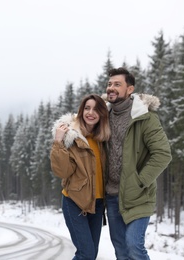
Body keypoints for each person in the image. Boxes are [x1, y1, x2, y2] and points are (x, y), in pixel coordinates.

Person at [104, 67, 172, 260]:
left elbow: (163, 154)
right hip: (111, 195)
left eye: (117, 84)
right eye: (110, 84)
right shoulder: (103, 117)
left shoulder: (145, 118)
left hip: (138, 195)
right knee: (121, 251)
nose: (111, 88)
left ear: (130, 89)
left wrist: (140, 182)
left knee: (134, 246)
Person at [50, 94, 111, 260]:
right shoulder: (72, 137)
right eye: (87, 108)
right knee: (86, 254)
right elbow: (62, 172)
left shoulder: (102, 139)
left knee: (91, 254)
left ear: (102, 114)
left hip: (97, 205)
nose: (90, 113)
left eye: (96, 109)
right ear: (81, 110)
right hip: (75, 202)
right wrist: (58, 142)